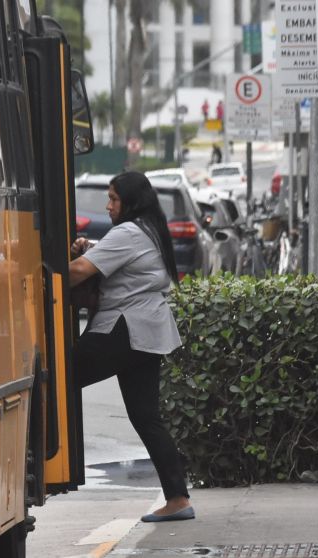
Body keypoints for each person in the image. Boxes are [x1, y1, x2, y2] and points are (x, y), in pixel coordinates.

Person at [68, 172, 194, 523]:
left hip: (125, 327)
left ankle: (39, 459)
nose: (107, 206)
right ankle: (178, 498)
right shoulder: (151, 229)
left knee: (59, 378)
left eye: (113, 199)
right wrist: (94, 249)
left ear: (131, 202)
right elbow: (126, 261)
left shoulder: (127, 232)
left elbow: (78, 271)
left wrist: (32, 278)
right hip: (148, 331)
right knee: (145, 417)